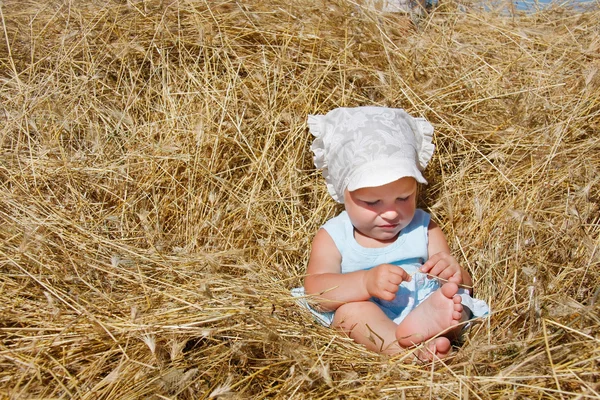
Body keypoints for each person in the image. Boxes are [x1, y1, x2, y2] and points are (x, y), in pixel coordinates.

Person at [292, 106, 489, 360]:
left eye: (403, 198)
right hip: (373, 313)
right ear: (344, 194)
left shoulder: (424, 227)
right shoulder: (334, 235)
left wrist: (454, 273)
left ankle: (431, 327)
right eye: (373, 203)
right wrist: (364, 282)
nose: (391, 213)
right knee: (351, 315)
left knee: (455, 303)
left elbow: (463, 285)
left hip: (425, 304)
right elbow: (315, 291)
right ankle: (405, 352)